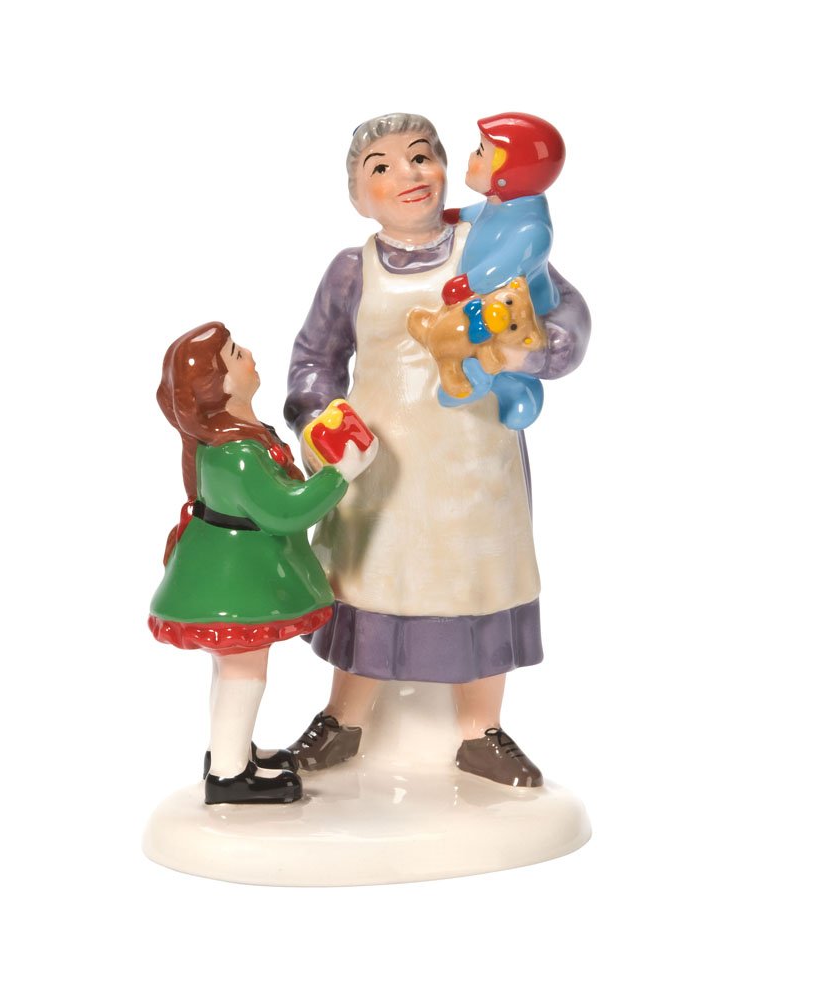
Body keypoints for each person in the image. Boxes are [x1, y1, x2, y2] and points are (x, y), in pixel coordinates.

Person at [283, 113, 591, 786]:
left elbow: (564, 316)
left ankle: (481, 729)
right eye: (382, 167)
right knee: (369, 577)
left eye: (421, 156)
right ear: (358, 196)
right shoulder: (351, 271)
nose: (408, 175)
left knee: (478, 575)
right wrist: (318, 421)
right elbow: (314, 360)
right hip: (380, 464)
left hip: (472, 458)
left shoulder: (496, 245)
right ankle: (344, 718)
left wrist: (534, 348)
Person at [149, 322, 377, 804]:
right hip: (235, 585)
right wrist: (340, 474)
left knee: (233, 669)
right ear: (219, 386)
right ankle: (230, 776)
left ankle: (231, 754)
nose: (249, 354)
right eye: (235, 354)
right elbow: (285, 511)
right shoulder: (237, 454)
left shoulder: (233, 441)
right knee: (243, 672)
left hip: (229, 574)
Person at [436, 112, 567, 429]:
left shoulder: (533, 229)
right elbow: (483, 212)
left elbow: (505, 266)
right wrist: (461, 214)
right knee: (477, 337)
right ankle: (472, 378)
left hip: (519, 310)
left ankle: (521, 391)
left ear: (508, 175)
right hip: (484, 301)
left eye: (481, 152)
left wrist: (468, 283)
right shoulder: (501, 204)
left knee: (503, 352)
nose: (472, 157)